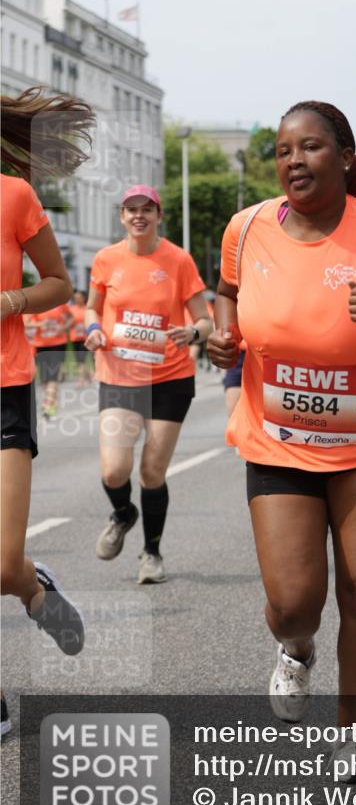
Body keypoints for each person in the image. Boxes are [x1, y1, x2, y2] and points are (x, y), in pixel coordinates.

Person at [207, 101, 356, 768]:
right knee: (294, 604)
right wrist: (224, 339)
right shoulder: (245, 230)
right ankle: (295, 649)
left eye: (308, 147)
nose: (293, 161)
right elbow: (227, 298)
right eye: (282, 150)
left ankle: (351, 734)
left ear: (344, 156)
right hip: (277, 441)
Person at [1, 87, 91, 734]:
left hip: (6, 384)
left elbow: (60, 284)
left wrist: (10, 303)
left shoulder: (14, 196)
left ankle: (31, 585)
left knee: (1, 563)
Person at [85, 185, 212, 584]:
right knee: (113, 471)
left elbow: (205, 320)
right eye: (130, 210)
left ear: (158, 216)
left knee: (152, 472)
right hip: (119, 376)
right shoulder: (106, 259)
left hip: (169, 378)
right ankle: (123, 514)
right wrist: (92, 330)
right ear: (121, 217)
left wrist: (192, 333)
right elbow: (92, 306)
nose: (138, 216)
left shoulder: (178, 260)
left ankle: (151, 553)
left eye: (147, 209)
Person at [27, 302, 72, 419]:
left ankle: (47, 404)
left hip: (58, 343)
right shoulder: (37, 305)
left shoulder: (61, 304)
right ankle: (52, 401)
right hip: (41, 345)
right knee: (45, 377)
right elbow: (26, 323)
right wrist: (41, 324)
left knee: (53, 375)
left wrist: (64, 327)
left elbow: (71, 318)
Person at [69, 289, 93, 387]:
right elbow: (66, 321)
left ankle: (82, 380)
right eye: (76, 298)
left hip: (87, 337)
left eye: (79, 297)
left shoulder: (88, 308)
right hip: (75, 338)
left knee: (83, 359)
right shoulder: (71, 309)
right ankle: (88, 377)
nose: (77, 299)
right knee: (79, 360)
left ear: (84, 298)